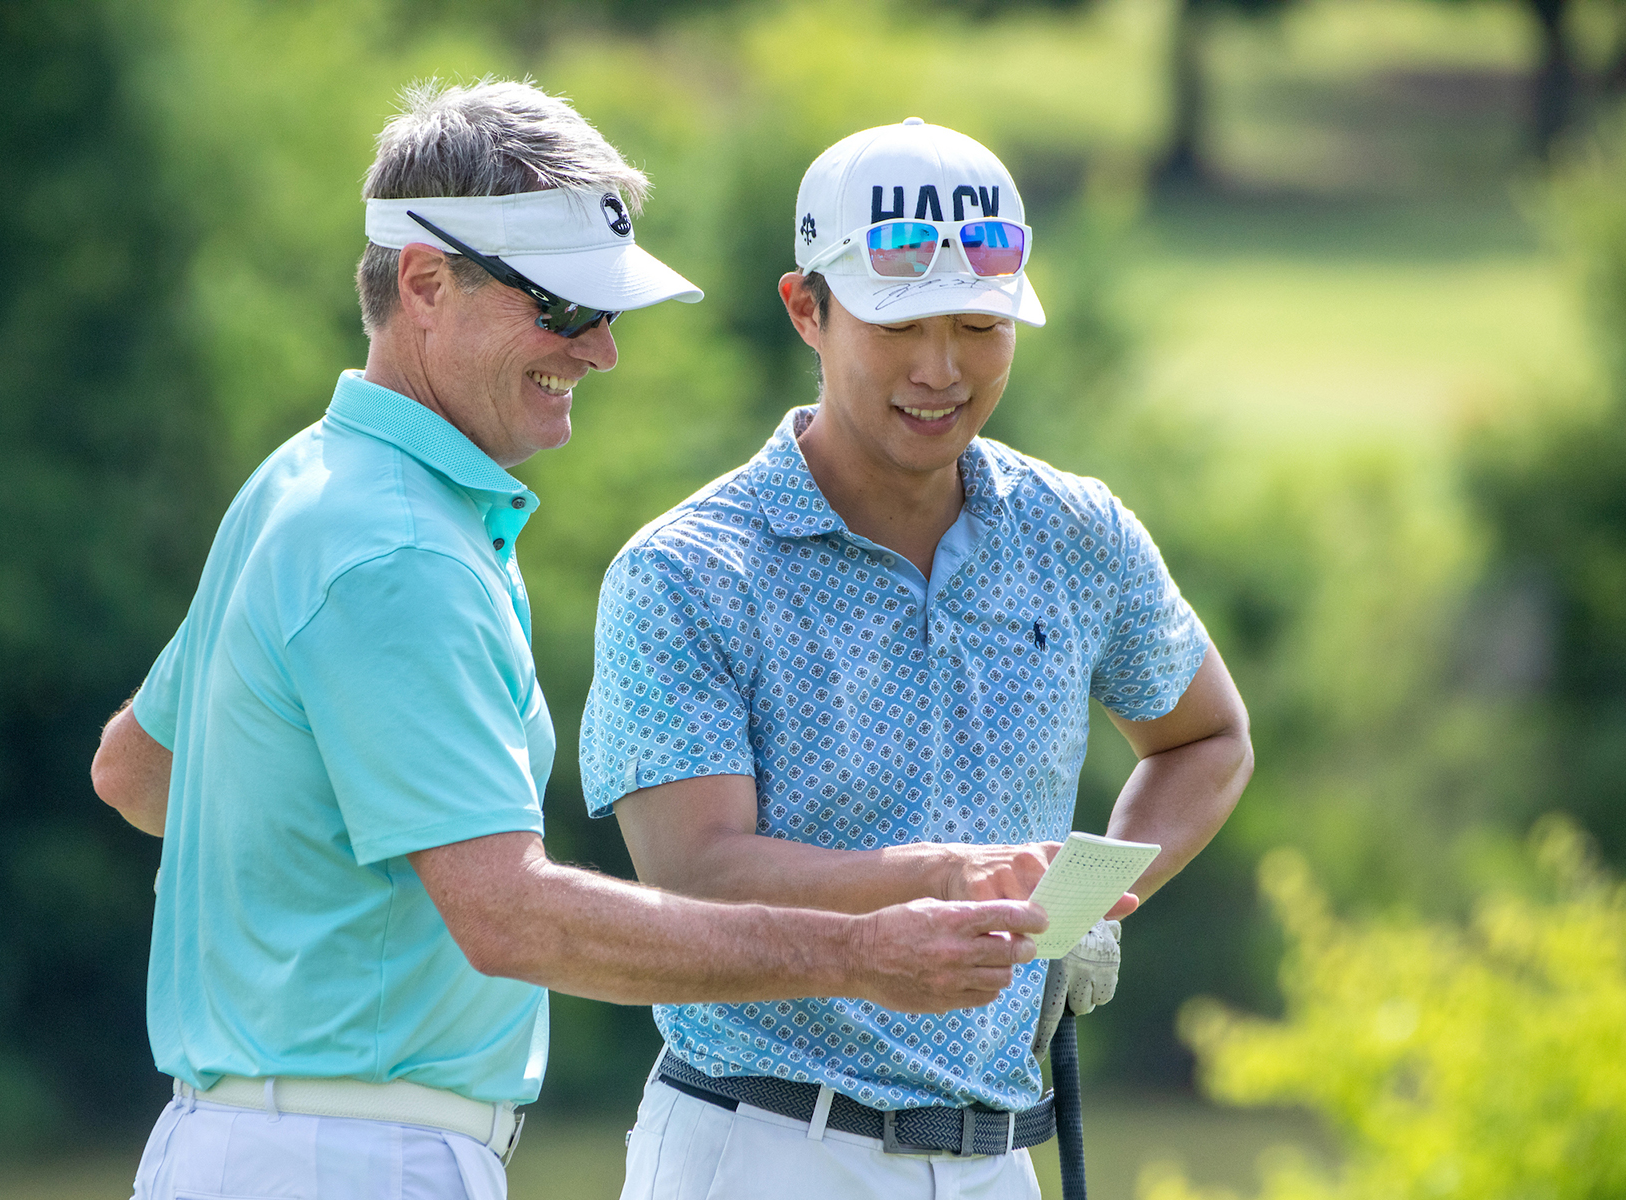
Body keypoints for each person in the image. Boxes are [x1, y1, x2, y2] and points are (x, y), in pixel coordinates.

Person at [88, 86, 1053, 1200]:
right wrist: (862, 956)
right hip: (349, 1156)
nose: (600, 350)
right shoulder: (401, 552)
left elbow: (140, 770)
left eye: (608, 311)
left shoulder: (305, 481)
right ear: (424, 284)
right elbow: (509, 916)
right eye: (562, 307)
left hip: (260, 1142)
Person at [580, 118, 1255, 1200]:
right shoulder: (686, 571)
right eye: (899, 326)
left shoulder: (1076, 533)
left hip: (998, 1156)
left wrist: (1083, 902)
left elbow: (1207, 738)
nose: (941, 370)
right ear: (807, 309)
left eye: (980, 325)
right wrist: (942, 882)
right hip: (763, 1145)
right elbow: (694, 871)